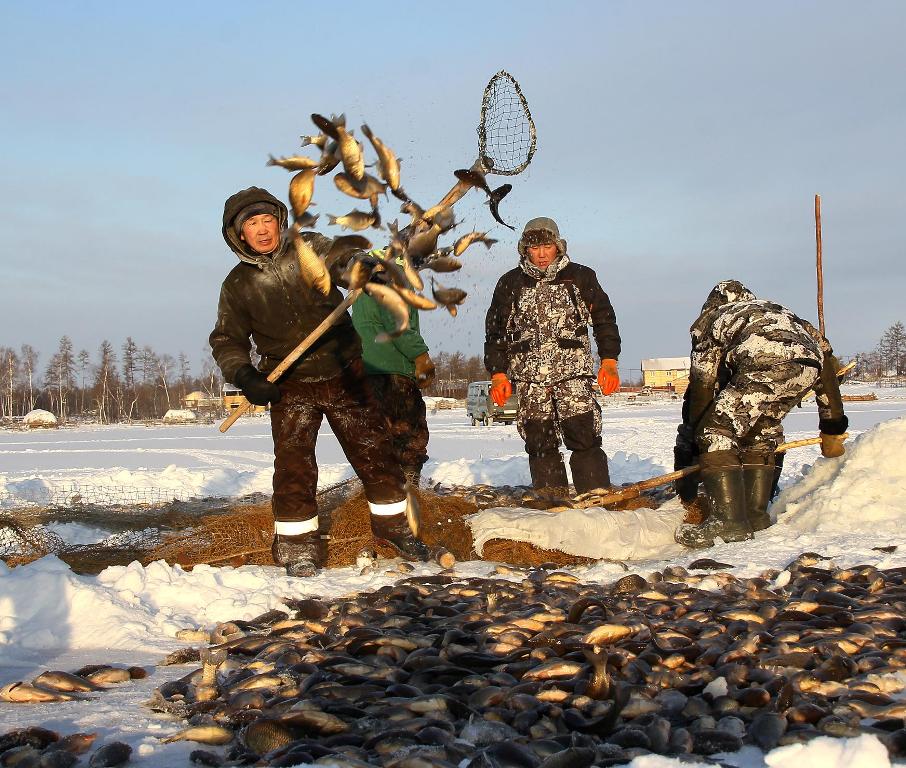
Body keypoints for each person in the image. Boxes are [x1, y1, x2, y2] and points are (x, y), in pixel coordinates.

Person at [209, 186, 429, 576]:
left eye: (267, 220)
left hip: (344, 369)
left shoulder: (309, 248)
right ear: (238, 234)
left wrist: (363, 266)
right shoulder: (237, 285)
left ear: (279, 221)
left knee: (375, 452)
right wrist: (245, 375)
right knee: (293, 465)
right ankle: (296, 546)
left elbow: (345, 258)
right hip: (290, 382)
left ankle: (394, 526)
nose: (262, 230)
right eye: (252, 224)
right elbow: (227, 339)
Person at [673, 280, 848, 548]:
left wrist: (699, 437)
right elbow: (826, 371)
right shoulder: (784, 315)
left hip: (761, 364)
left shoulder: (712, 320)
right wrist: (832, 427)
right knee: (761, 432)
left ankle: (728, 522)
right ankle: (755, 516)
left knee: (716, 432)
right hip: (807, 369)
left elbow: (702, 386)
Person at [484, 216, 621, 498]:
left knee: (583, 435)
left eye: (547, 246)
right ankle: (552, 498)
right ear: (525, 250)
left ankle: (594, 494)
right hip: (530, 379)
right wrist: (498, 373)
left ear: (558, 246)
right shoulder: (510, 283)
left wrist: (609, 360)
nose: (542, 254)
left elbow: (604, 319)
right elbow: (495, 331)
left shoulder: (581, 276)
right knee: (538, 440)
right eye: (535, 248)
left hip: (572, 376)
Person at [351, 249, 435, 487]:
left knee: (377, 433)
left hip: (367, 370)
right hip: (393, 373)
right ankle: (406, 486)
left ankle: (380, 486)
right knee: (409, 432)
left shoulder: (362, 290)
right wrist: (421, 356)